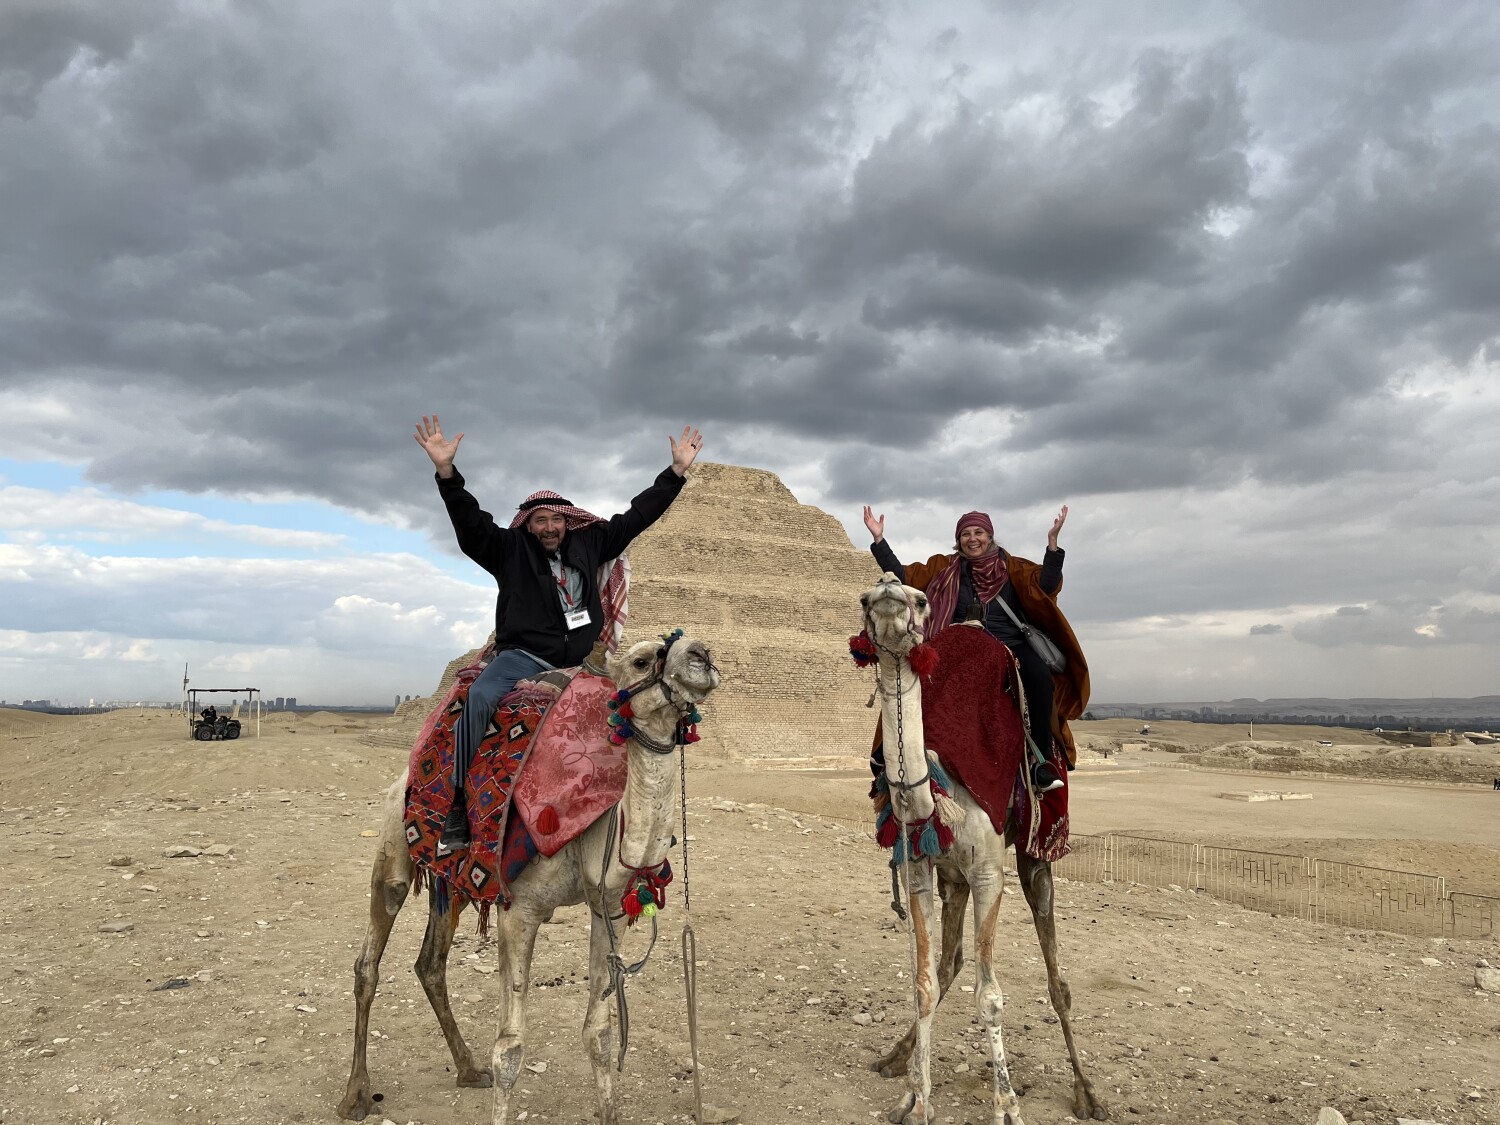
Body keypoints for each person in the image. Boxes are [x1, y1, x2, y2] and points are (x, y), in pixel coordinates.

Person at [415, 414, 704, 850]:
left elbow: (636, 517)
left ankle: (637, 814)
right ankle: (457, 802)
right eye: (540, 520)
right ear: (527, 524)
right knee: (480, 698)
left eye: (556, 520)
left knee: (640, 704)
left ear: (568, 521)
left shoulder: (589, 543)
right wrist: (447, 474)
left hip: (583, 661)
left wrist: (676, 472)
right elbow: (471, 526)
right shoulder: (507, 549)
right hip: (523, 657)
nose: (549, 527)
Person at [860, 504, 1088, 794]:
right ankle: (892, 749)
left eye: (979, 532)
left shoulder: (1012, 568)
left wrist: (1053, 546)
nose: (972, 539)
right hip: (958, 642)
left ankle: (1040, 761)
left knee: (1040, 679)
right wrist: (879, 540)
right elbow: (905, 576)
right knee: (917, 673)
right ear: (959, 540)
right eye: (966, 534)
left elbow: (1046, 585)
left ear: (990, 536)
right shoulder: (944, 568)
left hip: (1009, 643)